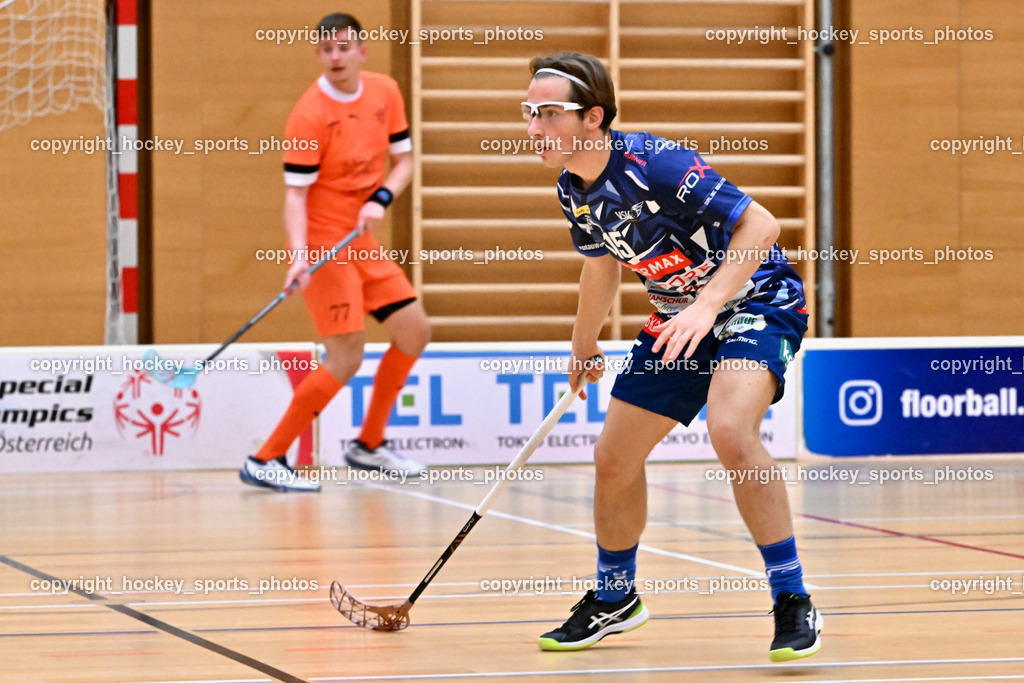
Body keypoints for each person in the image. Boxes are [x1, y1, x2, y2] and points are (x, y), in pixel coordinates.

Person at [523, 53, 821, 661]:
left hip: (754, 302)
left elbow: (762, 227)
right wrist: (583, 343)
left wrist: (708, 306)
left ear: (593, 118)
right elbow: (602, 261)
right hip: (677, 319)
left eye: (549, 114)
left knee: (732, 431)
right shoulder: (571, 186)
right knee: (614, 456)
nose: (534, 129)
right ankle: (616, 598)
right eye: (530, 114)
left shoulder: (655, 163)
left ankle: (792, 598)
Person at [240, 13, 430, 492]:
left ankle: (367, 446)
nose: (336, 57)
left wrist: (382, 197)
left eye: (344, 47)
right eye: (326, 49)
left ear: (361, 51)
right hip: (325, 243)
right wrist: (298, 257)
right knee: (346, 354)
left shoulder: (385, 91)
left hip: (361, 239)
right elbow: (295, 197)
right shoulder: (308, 116)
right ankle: (267, 457)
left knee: (414, 331)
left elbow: (404, 161)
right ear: (318, 55)